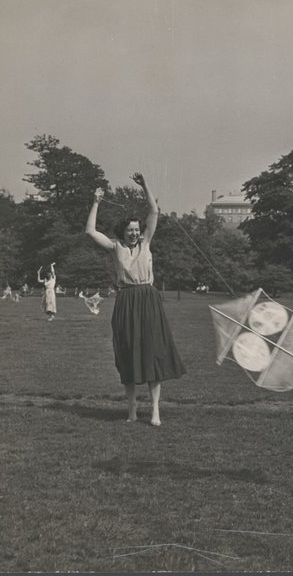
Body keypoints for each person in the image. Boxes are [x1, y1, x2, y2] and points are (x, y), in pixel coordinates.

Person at [85, 173, 186, 426]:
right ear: (123, 231)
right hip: (126, 301)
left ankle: (154, 411)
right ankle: (131, 411)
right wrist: (96, 202)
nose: (134, 233)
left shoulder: (146, 242)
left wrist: (144, 185)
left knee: (152, 352)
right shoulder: (115, 246)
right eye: (130, 230)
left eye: (136, 230)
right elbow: (90, 231)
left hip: (148, 299)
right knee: (128, 353)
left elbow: (153, 211)